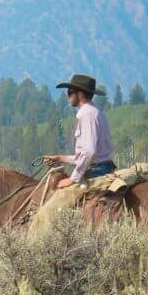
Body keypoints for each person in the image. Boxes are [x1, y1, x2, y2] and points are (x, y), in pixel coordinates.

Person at [36, 73, 115, 227]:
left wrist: (74, 178)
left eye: (70, 91)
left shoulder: (86, 114)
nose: (68, 95)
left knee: (50, 210)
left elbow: (90, 152)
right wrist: (60, 158)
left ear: (79, 94)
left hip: (95, 172)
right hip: (101, 167)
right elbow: (87, 154)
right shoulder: (95, 112)